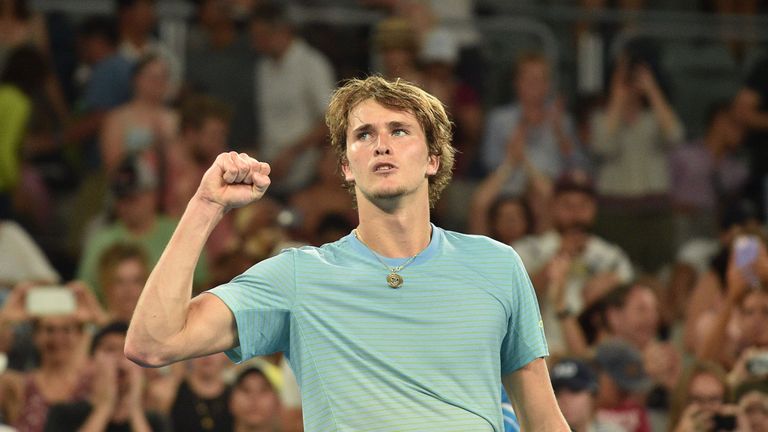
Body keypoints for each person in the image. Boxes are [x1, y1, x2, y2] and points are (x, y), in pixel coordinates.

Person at [125, 76, 568, 431]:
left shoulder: (496, 263)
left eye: (399, 130)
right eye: (363, 134)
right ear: (346, 166)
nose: (381, 144)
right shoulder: (297, 275)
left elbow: (543, 421)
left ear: (433, 159)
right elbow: (153, 342)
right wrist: (205, 206)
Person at [249, 3, 335, 197]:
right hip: (268, 172)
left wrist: (291, 153)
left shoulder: (312, 65)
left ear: (282, 31)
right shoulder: (263, 67)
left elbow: (330, 120)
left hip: (305, 174)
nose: (255, 43)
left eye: (261, 36)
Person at [44, 321, 167, 432]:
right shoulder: (64, 414)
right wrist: (105, 406)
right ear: (91, 362)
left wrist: (134, 409)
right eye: (110, 350)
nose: (120, 358)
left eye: (129, 353)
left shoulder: (155, 420)